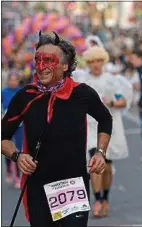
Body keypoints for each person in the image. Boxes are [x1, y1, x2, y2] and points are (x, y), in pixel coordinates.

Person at [1, 32, 112, 227]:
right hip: (38, 185)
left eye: (49, 60)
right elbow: (3, 137)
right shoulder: (25, 96)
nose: (41, 66)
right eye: (38, 60)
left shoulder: (82, 93)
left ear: (65, 65)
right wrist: (18, 156)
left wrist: (101, 153)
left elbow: (105, 119)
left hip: (73, 184)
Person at [73, 46, 132, 217]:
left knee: (106, 167)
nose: (96, 64)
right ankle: (97, 200)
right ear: (88, 63)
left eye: (98, 61)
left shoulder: (113, 80)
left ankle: (105, 197)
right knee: (95, 163)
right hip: (90, 127)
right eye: (92, 61)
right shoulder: (82, 82)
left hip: (109, 126)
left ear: (103, 61)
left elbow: (122, 101)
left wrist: (113, 103)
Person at [2, 72, 24, 189]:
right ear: (8, 80)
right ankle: (9, 170)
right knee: (7, 147)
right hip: (7, 125)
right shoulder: (4, 92)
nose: (13, 82)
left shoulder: (21, 92)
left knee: (19, 149)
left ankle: (17, 176)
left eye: (15, 80)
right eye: (11, 80)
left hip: (20, 126)